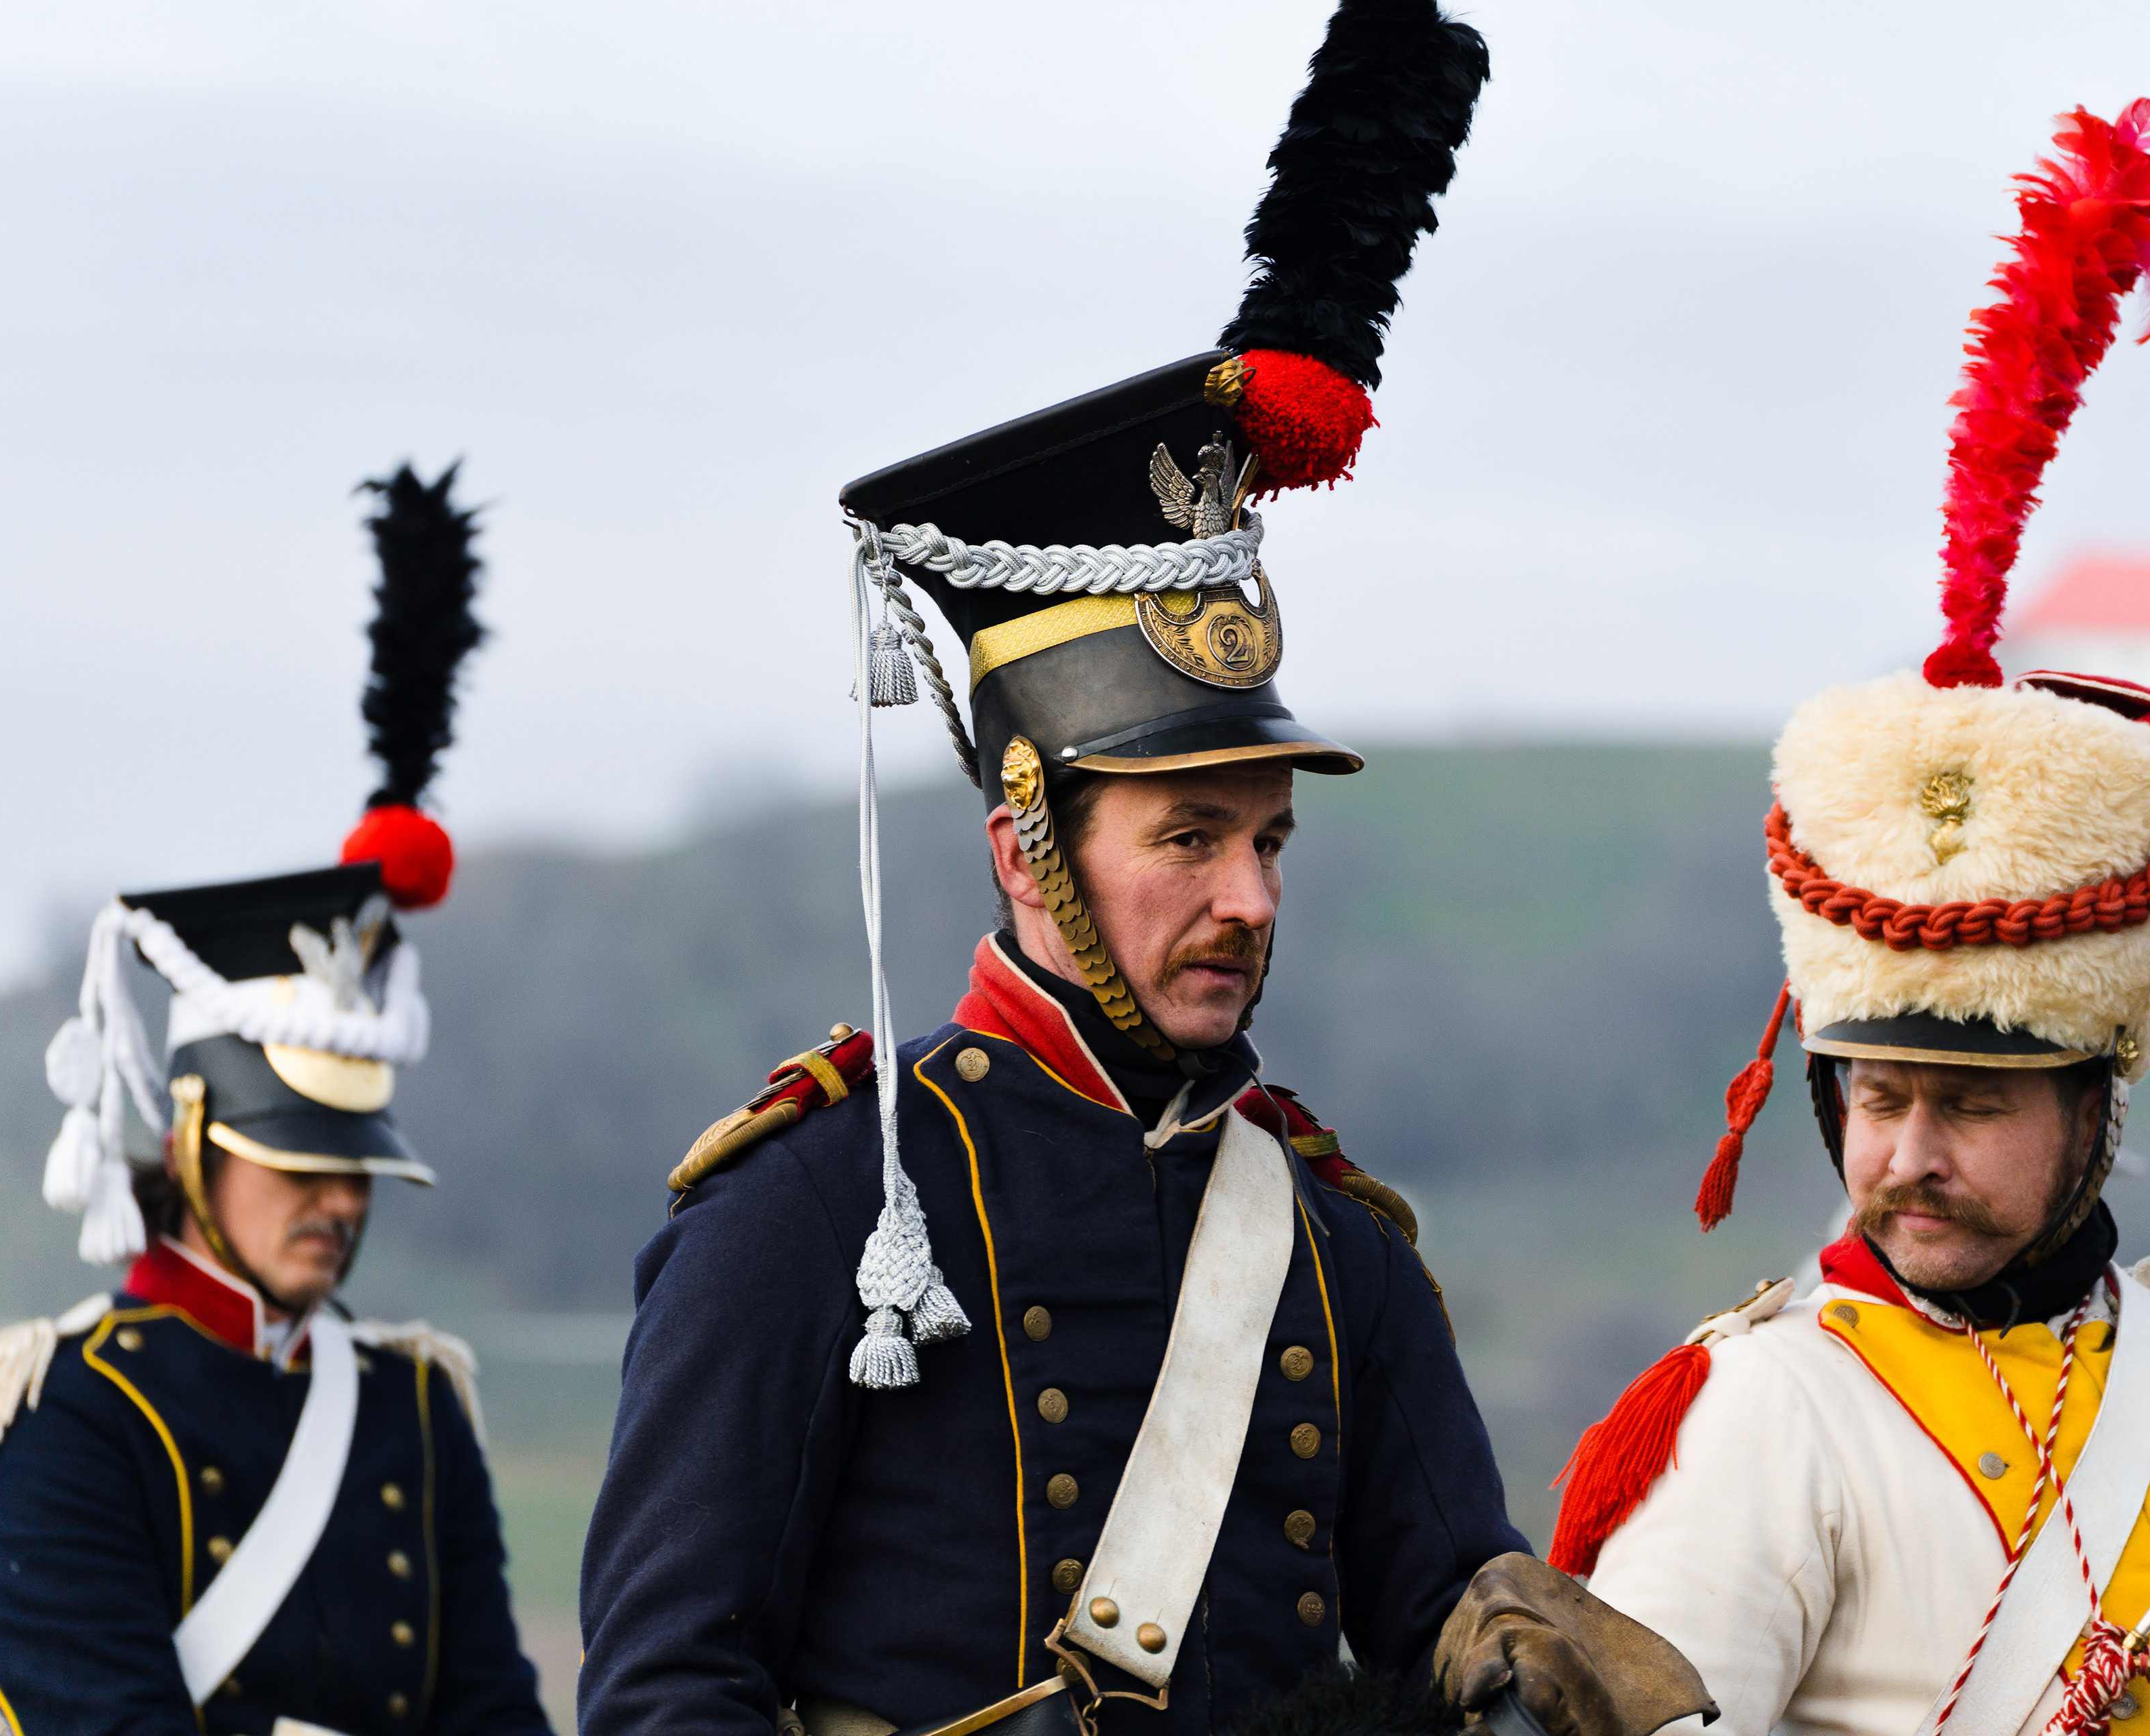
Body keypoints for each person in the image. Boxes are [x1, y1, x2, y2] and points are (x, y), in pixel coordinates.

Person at [576, 9, 1711, 1736]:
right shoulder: (814, 1208)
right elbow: (670, 1691)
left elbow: (1446, 1634)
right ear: (1026, 846)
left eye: (1268, 841)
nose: (1247, 898)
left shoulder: (1335, 1244)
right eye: (1188, 838)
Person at [1547, 102, 2150, 1736]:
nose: (1908, 1151)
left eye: (1975, 1102)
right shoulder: (1766, 1413)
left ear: (2095, 1099)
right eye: (1879, 1094)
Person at [0, 465, 553, 1736]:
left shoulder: (413, 1407)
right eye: (297, 1160)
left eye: (355, 1166)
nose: (341, 1200)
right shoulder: (65, 1408)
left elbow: (492, 1708)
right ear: (189, 1140)